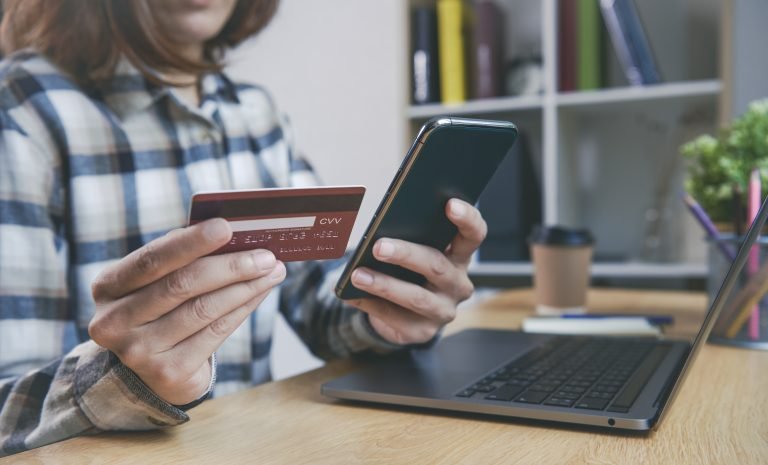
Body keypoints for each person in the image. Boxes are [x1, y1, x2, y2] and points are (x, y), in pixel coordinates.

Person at [0, 0, 486, 456]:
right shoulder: (21, 109)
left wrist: (392, 307)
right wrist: (122, 380)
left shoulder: (258, 115)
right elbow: (6, 409)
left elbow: (322, 305)